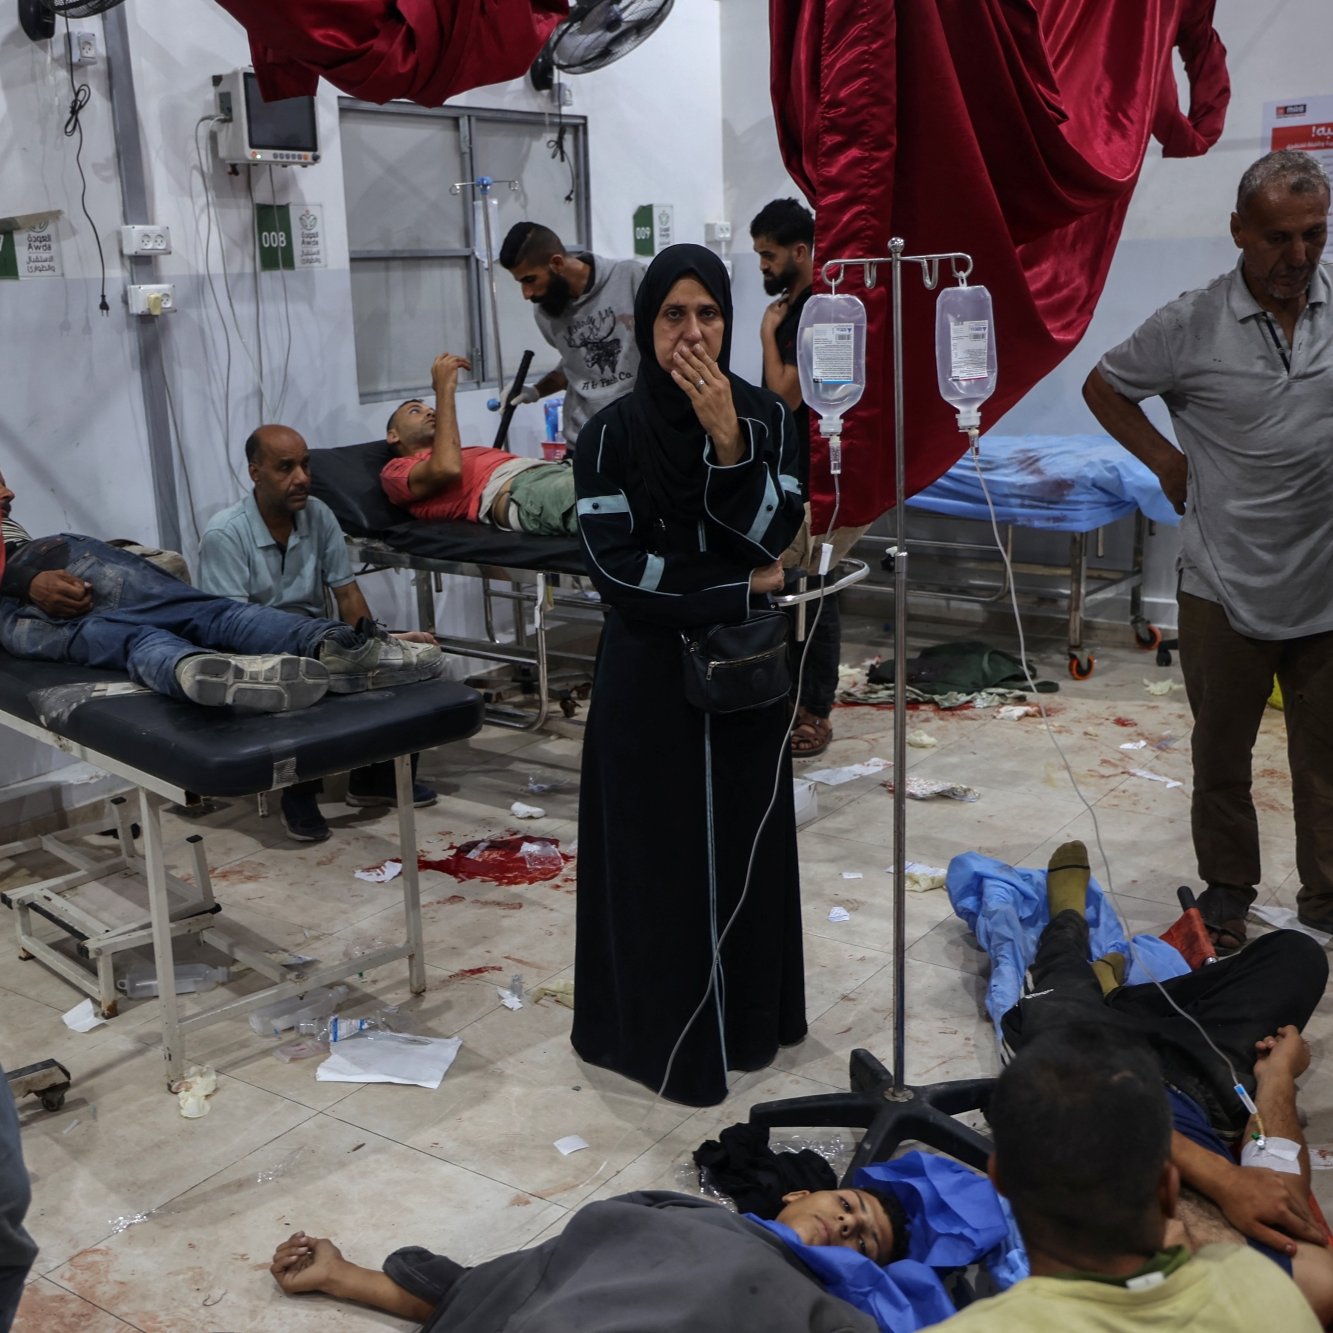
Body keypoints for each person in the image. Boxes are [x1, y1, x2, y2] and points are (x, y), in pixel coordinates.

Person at [571, 243, 807, 1107]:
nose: (693, 333)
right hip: (645, 684)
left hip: (744, 676)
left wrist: (728, 445)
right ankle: (653, 1039)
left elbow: (772, 532)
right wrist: (734, 586)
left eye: (707, 313)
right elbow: (619, 571)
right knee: (654, 863)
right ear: (645, 326)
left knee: (746, 848)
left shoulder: (770, 421)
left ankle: (748, 1025)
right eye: (673, 315)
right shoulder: (608, 434)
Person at [1082, 148, 1333, 950]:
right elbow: (1103, 384)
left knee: (1323, 761)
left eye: (1314, 236)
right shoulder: (1190, 323)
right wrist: (1162, 459)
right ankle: (1227, 891)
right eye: (1277, 238)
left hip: (1324, 583)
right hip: (1222, 586)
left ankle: (1327, 899)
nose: (1297, 257)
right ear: (1237, 231)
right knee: (1219, 754)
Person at [993, 841, 1333, 1319]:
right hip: (1204, 1086)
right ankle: (1119, 996)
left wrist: (1218, 1178)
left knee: (1058, 985)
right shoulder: (1281, 1298)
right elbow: (1279, 1191)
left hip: (1084, 1078)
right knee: (1298, 954)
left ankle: (1071, 930)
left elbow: (1081, 1117)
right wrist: (1278, 1077)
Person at [939, 1024, 1321, 1330]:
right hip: (1166, 1093)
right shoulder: (1268, 1288)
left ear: (998, 1179)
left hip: (1106, 1059)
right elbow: (1282, 1190)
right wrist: (1278, 1077)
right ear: (1169, 1188)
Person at [0, 470, 444, 711]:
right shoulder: (231, 527)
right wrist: (23, 579)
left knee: (139, 642)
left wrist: (22, 582)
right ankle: (333, 648)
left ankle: (190, 670)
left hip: (21, 620)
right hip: (50, 566)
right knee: (209, 615)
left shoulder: (317, 517)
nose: (10, 491)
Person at [198, 426, 438, 843]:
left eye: (305, 464)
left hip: (318, 639)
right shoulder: (225, 534)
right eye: (285, 468)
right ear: (255, 473)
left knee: (408, 666)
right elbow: (232, 628)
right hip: (257, 651)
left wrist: (375, 647)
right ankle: (299, 794)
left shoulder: (319, 515)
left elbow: (347, 594)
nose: (303, 478)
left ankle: (373, 780)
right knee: (298, 680)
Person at [268, 1187, 901, 1331]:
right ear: (797, 1195)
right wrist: (348, 1280)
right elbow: (559, 1273)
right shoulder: (687, 1211)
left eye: (863, 1240)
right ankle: (346, 1279)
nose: (847, 1223)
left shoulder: (832, 1309)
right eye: (849, 1205)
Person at [751, 197, 842, 759]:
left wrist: (766, 333)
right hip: (795, 466)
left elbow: (784, 393)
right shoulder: (802, 304)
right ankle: (791, 700)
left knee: (814, 589)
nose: (762, 266)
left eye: (768, 255)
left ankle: (814, 710)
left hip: (818, 471)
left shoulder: (814, 310)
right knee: (795, 587)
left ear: (800, 251)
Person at [381, 353, 578, 538]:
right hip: (526, 492)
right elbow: (447, 469)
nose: (430, 413)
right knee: (600, 498)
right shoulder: (396, 470)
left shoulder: (463, 452)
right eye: (415, 410)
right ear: (393, 435)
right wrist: (444, 388)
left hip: (555, 471)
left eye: (432, 409)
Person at [498, 221, 643, 446]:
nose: (526, 294)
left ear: (556, 263)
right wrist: (535, 391)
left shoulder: (631, 278)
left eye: (530, 279)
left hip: (638, 436)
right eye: (520, 283)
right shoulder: (545, 311)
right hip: (583, 441)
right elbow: (575, 365)